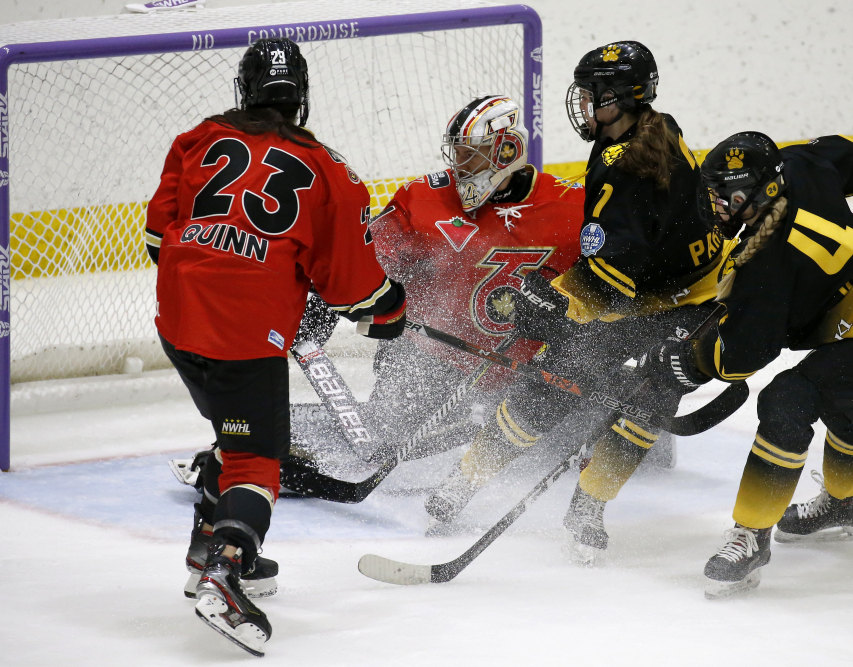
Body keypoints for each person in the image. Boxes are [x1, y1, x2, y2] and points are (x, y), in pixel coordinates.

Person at [145, 38, 406, 655]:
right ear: (302, 96)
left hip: (177, 321)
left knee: (233, 435)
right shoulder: (328, 169)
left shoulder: (197, 138)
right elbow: (351, 285)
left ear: (245, 90)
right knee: (258, 460)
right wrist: (388, 311)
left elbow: (158, 236)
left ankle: (204, 546)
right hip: (243, 334)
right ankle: (225, 571)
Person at [424, 42, 734, 559]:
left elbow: (614, 280)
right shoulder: (651, 127)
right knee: (561, 374)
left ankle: (588, 504)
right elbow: (622, 264)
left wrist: (552, 309)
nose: (583, 106)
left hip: (689, 302)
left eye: (592, 95)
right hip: (661, 285)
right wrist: (558, 305)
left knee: (644, 398)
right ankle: (466, 480)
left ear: (620, 99)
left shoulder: (624, 167)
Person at [638, 131, 853, 598]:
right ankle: (845, 507)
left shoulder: (765, 265)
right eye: (715, 193)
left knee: (788, 399)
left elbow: (743, 357)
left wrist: (687, 360)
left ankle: (751, 536)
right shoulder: (798, 165)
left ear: (762, 192)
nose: (718, 206)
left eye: (730, 197)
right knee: (848, 398)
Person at [363, 95, 585, 466]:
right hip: (436, 356)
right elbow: (369, 262)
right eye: (456, 153)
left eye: (470, 153)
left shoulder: (572, 207)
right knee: (390, 436)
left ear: (507, 150)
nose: (459, 165)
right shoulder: (424, 198)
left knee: (569, 433)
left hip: (525, 370)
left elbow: (610, 285)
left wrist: (566, 319)